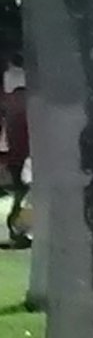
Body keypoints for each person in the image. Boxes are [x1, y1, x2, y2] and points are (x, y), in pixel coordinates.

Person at [2, 63, 30, 249]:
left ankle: (18, 233)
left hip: (18, 159)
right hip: (20, 159)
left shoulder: (12, 108)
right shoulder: (22, 110)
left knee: (22, 197)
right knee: (22, 197)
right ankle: (18, 233)